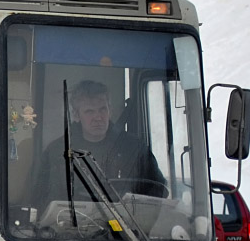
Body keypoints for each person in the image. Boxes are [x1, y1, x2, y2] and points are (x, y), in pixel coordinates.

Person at [32, 80, 165, 206]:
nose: (98, 117)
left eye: (102, 109)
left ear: (110, 110)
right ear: (76, 115)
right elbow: (41, 200)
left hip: (125, 227)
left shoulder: (134, 148)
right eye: (89, 111)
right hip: (71, 227)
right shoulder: (57, 152)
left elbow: (159, 191)